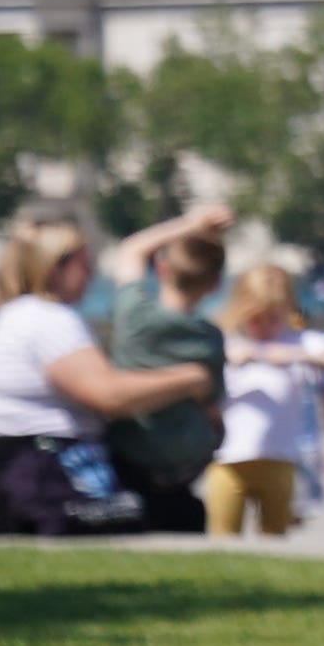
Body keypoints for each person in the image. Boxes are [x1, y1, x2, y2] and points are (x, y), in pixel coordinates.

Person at [0, 218, 212, 536]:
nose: (91, 274)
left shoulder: (20, 315)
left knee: (177, 510)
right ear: (54, 269)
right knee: (178, 515)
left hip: (6, 481)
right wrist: (191, 377)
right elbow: (109, 396)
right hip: (31, 481)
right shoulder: (48, 319)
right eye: (84, 265)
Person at [103, 213, 237, 536]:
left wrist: (193, 222)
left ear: (161, 269)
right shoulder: (210, 339)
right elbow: (213, 404)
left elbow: (132, 249)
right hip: (182, 468)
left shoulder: (134, 315)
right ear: (215, 284)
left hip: (129, 457)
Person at [202, 263, 324, 538]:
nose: (264, 327)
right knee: (222, 537)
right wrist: (225, 359)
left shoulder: (299, 341)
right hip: (228, 458)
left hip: (280, 458)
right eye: (255, 319)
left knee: (275, 538)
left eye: (273, 318)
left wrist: (293, 355)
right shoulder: (225, 341)